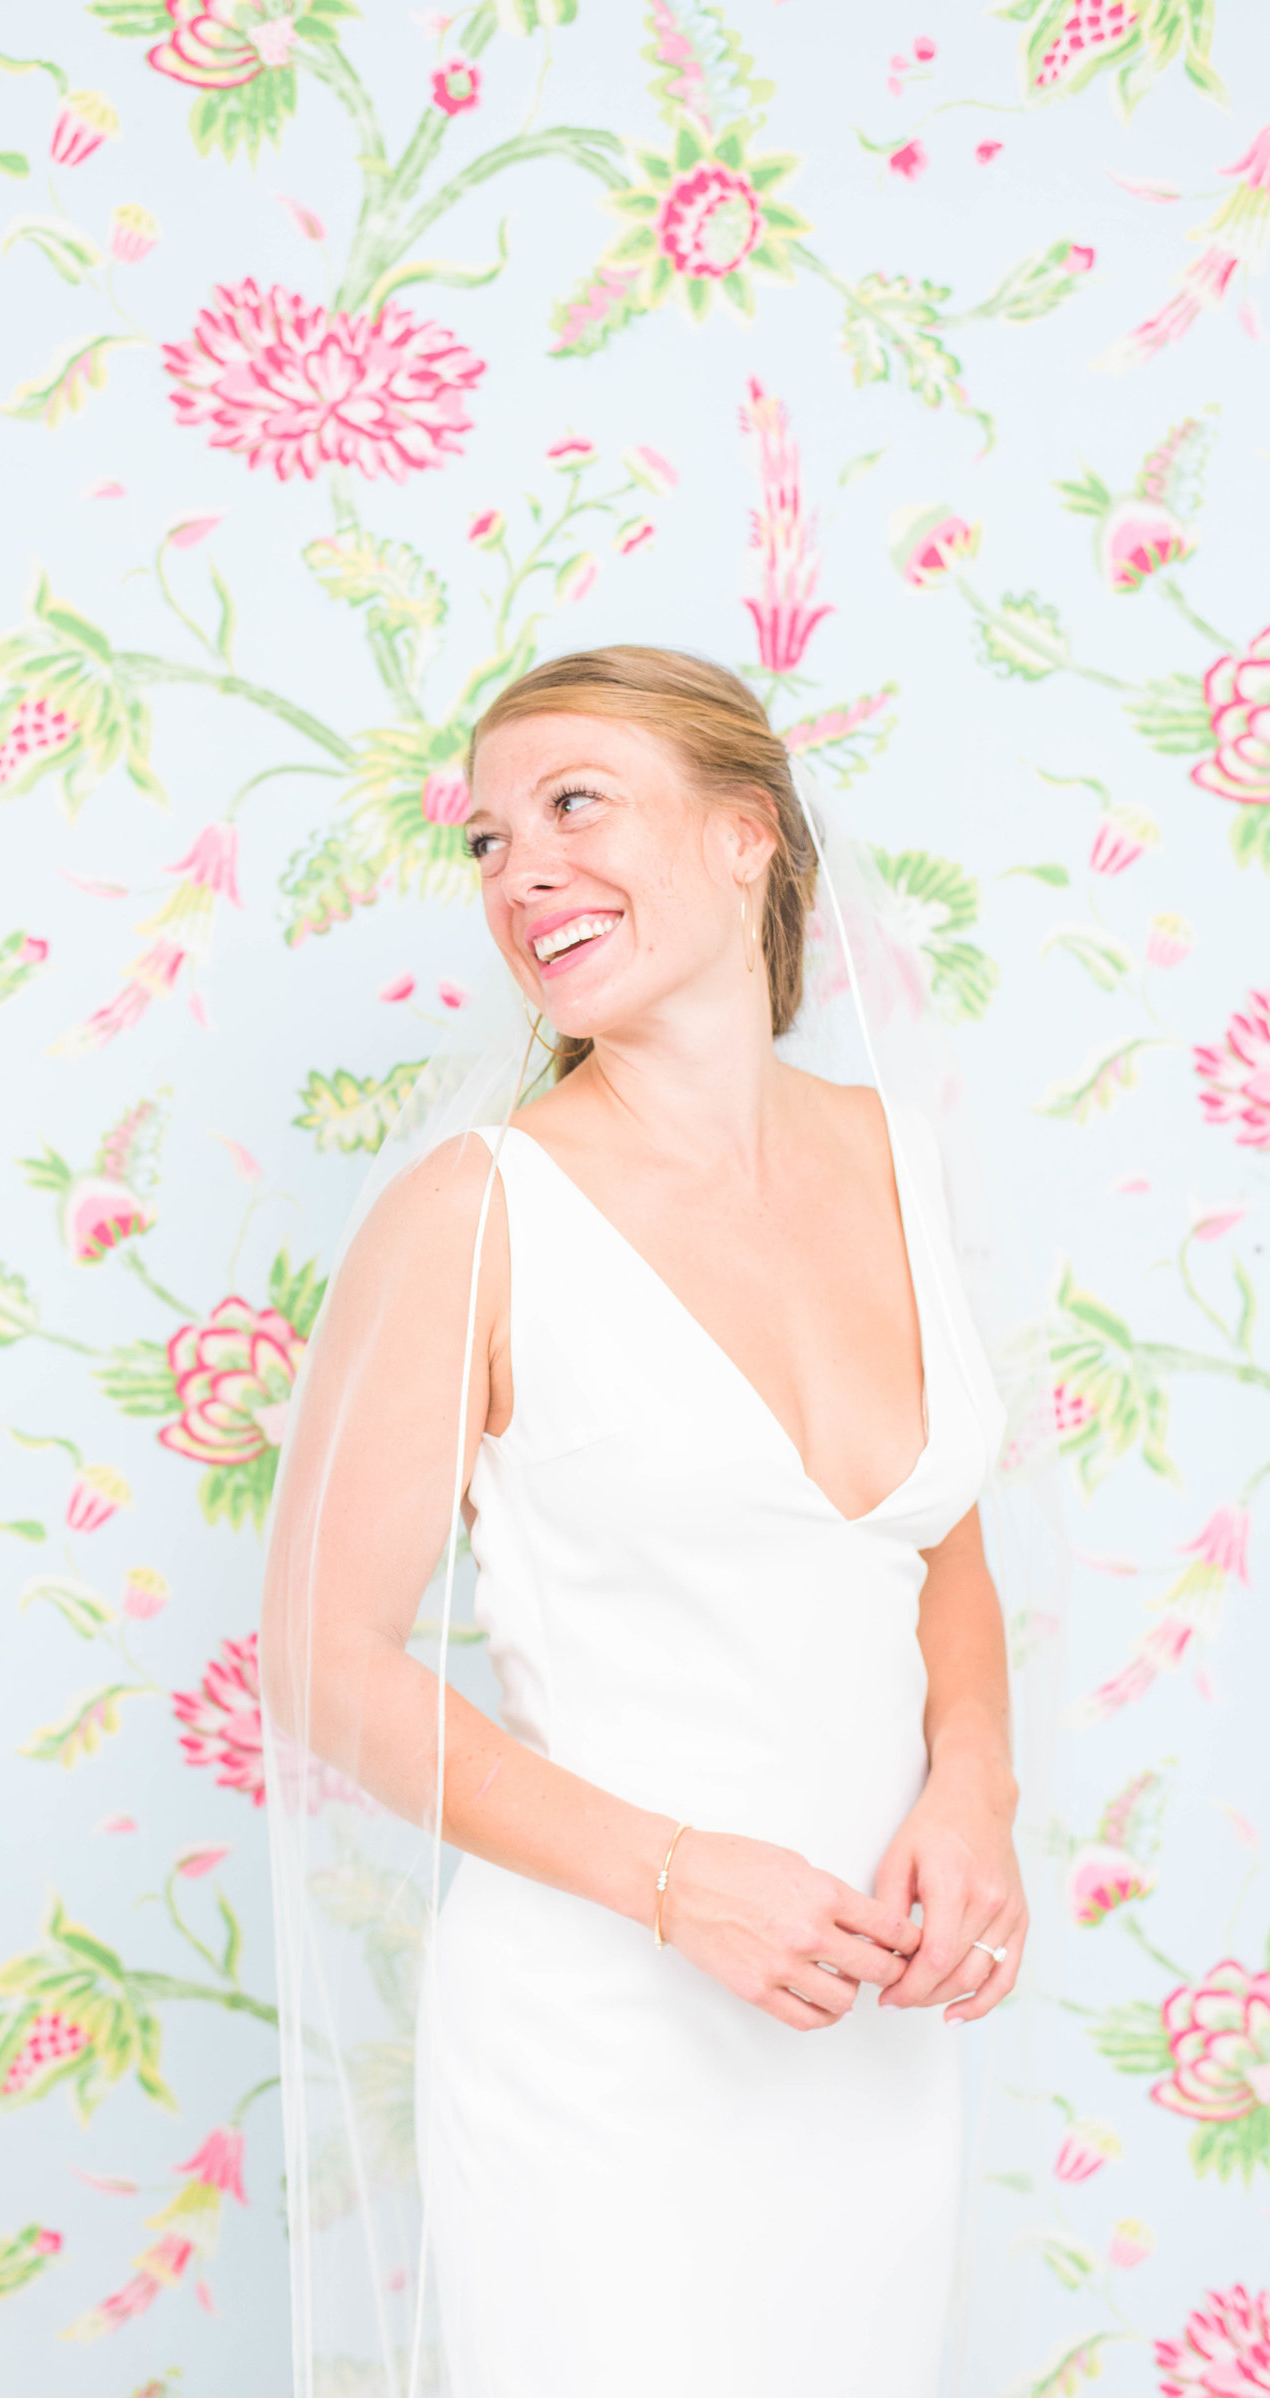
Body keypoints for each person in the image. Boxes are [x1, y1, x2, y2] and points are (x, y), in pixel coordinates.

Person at [262, 646, 1028, 2398]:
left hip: (867, 2030)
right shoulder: (477, 1211)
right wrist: (682, 1885)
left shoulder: (893, 1151)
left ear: (746, 836)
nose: (521, 870)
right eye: (486, 839)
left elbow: (940, 1544)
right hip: (600, 2040)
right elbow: (323, 1658)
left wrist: (973, 1784)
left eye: (575, 803)